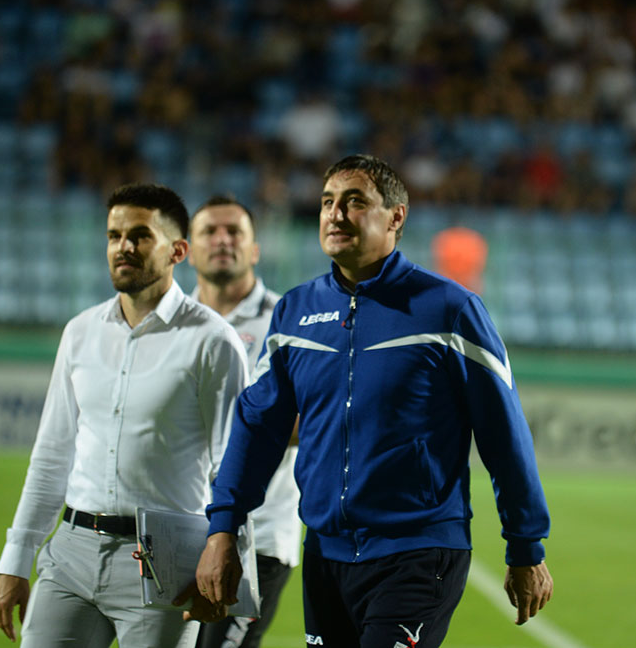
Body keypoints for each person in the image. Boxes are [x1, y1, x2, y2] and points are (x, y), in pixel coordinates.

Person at [188, 154, 553, 647]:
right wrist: (224, 527)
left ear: (396, 217)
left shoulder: (450, 309)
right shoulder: (296, 312)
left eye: (355, 202)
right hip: (325, 553)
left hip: (419, 552)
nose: (335, 214)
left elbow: (502, 432)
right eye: (327, 202)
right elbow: (258, 426)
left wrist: (525, 546)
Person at [0, 184, 249, 647]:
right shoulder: (80, 332)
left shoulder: (213, 341)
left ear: (178, 250)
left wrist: (227, 561)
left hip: (165, 563)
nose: (123, 247)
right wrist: (16, 557)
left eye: (139, 235)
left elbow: (230, 465)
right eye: (114, 236)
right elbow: (52, 453)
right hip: (70, 552)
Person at [186, 195, 301, 648]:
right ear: (187, 250)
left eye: (235, 232)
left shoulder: (289, 322)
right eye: (210, 232)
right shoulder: (171, 323)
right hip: (177, 528)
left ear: (255, 250)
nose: (222, 240)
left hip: (260, 535)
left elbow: (308, 420)